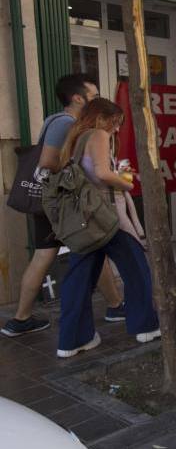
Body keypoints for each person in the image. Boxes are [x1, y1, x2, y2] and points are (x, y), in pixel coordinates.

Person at [1, 75, 125, 338]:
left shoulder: (60, 121)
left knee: (51, 253)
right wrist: (76, 172)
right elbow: (48, 162)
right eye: (94, 95)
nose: (99, 100)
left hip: (54, 200)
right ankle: (114, 307)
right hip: (61, 202)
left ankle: (21, 319)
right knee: (89, 245)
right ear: (77, 98)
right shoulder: (66, 123)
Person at [55, 98, 160, 358]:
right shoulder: (98, 135)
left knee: (78, 280)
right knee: (137, 270)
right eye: (114, 123)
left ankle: (71, 340)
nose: (115, 130)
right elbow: (102, 174)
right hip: (108, 219)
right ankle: (146, 326)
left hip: (85, 223)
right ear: (101, 118)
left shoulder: (75, 139)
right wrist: (126, 182)